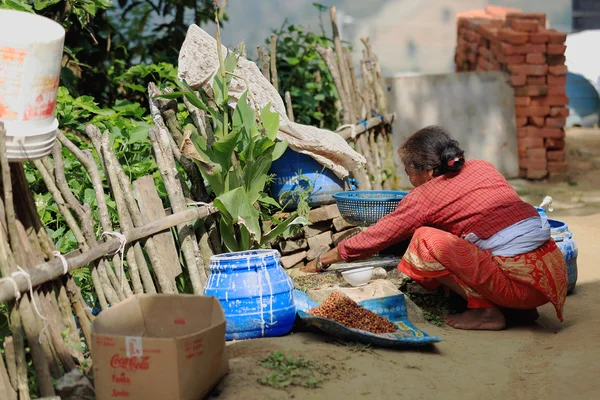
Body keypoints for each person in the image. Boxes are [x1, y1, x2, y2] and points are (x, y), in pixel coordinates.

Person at [301, 125, 567, 330]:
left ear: (427, 171)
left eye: (409, 171)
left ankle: (486, 311)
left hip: (516, 286)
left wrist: (322, 260)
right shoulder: (482, 167)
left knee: (425, 240)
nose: (408, 177)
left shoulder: (425, 196)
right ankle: (519, 310)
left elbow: (376, 236)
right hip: (552, 277)